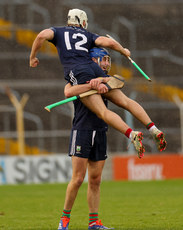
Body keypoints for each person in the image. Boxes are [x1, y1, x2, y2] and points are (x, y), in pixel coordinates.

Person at [29, 8, 166, 157]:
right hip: (93, 67)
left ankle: (131, 134)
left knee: (103, 112)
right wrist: (124, 51)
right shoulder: (87, 34)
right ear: (82, 22)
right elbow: (108, 42)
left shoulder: (58, 31)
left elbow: (42, 35)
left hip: (78, 71)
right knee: (126, 101)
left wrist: (33, 57)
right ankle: (153, 128)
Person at [58, 51, 114, 230]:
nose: (105, 64)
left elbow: (120, 82)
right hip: (82, 130)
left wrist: (103, 81)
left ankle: (93, 222)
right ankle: (64, 221)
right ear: (93, 61)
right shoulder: (79, 76)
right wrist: (91, 84)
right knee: (78, 178)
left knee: (96, 179)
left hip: (100, 130)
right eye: (102, 60)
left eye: (107, 60)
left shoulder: (107, 78)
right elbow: (68, 91)